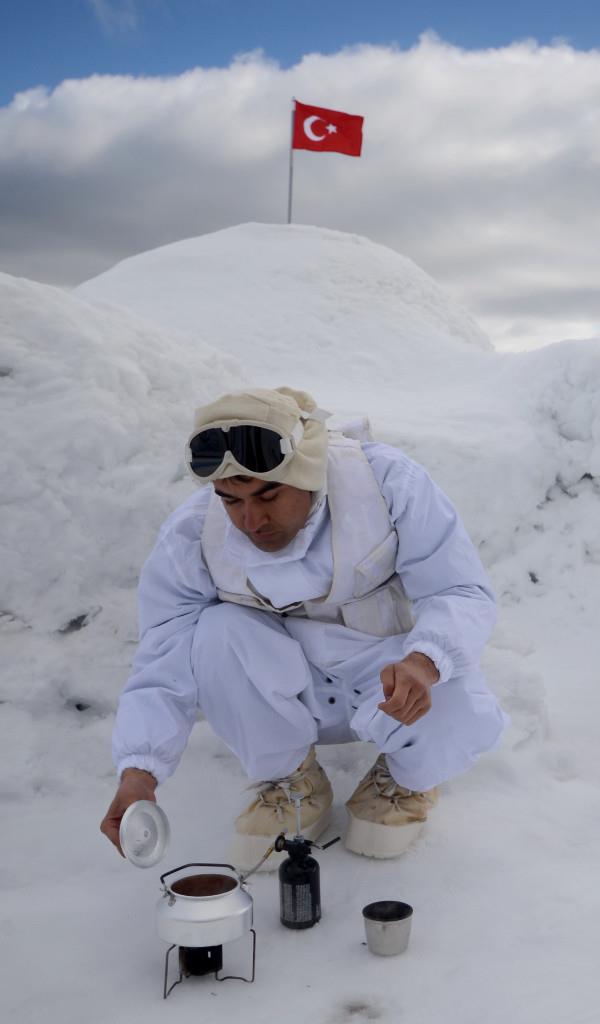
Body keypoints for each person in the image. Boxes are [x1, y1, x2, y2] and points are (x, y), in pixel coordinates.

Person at [100, 386, 507, 867]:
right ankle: (292, 782)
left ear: (310, 472)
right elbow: (163, 659)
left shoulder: (387, 483)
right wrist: (139, 770)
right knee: (212, 631)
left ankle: (404, 780)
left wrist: (424, 662)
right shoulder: (193, 534)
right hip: (286, 692)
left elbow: (458, 592)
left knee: (454, 689)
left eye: (268, 494)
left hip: (393, 683)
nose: (251, 520)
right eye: (231, 500)